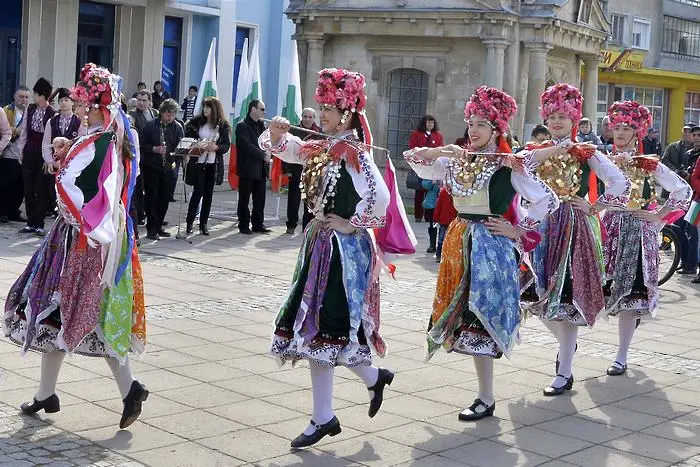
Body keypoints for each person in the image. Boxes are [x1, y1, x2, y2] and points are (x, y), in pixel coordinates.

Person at [4, 62, 148, 429]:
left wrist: (65, 161)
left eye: (84, 104)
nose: (79, 109)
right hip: (77, 238)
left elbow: (70, 185)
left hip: (81, 241)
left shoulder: (101, 142)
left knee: (81, 314)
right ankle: (46, 394)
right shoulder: (105, 139)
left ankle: (129, 388)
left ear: (97, 107)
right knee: (56, 317)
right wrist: (67, 151)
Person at [404, 86, 559, 420]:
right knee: (465, 319)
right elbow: (414, 160)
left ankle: (486, 397)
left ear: (496, 130)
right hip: (459, 244)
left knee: (482, 317)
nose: (473, 130)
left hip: (491, 248)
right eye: (471, 123)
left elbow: (547, 199)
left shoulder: (506, 166)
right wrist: (442, 150)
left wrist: (519, 229)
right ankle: (484, 396)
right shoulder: (458, 161)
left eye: (481, 124)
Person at [261, 68, 397, 448]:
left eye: (329, 108)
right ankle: (341, 403)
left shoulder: (352, 152)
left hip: (341, 251)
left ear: (348, 113)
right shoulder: (323, 146)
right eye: (321, 107)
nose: (322, 114)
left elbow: (380, 198)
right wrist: (275, 135)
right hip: (320, 244)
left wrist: (354, 225)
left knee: (327, 329)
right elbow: (289, 150)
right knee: (317, 331)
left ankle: (336, 407)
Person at [522, 83, 630, 396]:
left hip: (570, 226)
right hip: (540, 225)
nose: (556, 121)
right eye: (551, 115)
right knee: (532, 296)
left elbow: (619, 181)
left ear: (574, 119)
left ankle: (565, 370)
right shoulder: (535, 151)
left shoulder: (586, 152)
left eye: (562, 116)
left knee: (565, 298)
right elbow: (520, 167)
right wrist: (553, 149)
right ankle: (566, 346)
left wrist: (596, 205)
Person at [601, 101, 691, 376]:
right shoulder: (603, 158)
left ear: (638, 132)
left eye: (627, 128)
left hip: (637, 231)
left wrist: (659, 216)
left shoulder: (647, 164)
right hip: (610, 228)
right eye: (616, 127)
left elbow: (682, 191)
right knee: (604, 289)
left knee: (631, 293)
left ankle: (621, 355)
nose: (620, 132)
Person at [184, 96, 231, 236]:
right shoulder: (196, 122)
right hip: (198, 162)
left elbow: (225, 145)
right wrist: (199, 144)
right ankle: (189, 222)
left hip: (212, 163)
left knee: (208, 194)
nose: (205, 109)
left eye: (208, 107)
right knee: (197, 192)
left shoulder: (222, 125)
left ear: (214, 109)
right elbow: (189, 138)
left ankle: (203, 223)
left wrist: (216, 147)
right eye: (204, 106)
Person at [140, 98, 184, 240]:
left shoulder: (177, 127)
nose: (170, 117)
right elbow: (141, 145)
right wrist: (154, 149)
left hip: (169, 167)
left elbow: (181, 146)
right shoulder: (151, 125)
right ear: (162, 113)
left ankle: (159, 225)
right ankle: (151, 228)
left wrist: (183, 155)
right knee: (152, 197)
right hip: (152, 166)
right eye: (168, 115)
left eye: (173, 115)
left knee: (164, 198)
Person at [18, 77, 56, 237]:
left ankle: (39, 222)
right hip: (30, 151)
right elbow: (25, 131)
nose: (33, 97)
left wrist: (49, 158)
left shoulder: (52, 113)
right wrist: (21, 150)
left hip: (43, 152)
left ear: (42, 95)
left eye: (35, 94)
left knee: (41, 189)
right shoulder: (31, 109)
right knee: (28, 186)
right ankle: (30, 221)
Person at [285, 107, 322, 234]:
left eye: (310, 117)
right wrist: (287, 170)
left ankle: (307, 226)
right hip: (296, 171)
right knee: (293, 200)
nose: (307, 119)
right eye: (305, 116)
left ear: (314, 119)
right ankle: (291, 225)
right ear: (301, 117)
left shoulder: (320, 133)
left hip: (312, 173)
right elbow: (287, 150)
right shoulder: (294, 130)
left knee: (309, 201)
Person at [235, 99, 270, 234]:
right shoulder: (242, 126)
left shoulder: (263, 125)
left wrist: (269, 152)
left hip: (261, 168)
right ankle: (243, 224)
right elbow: (247, 146)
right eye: (261, 109)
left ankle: (258, 224)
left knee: (260, 199)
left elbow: (267, 142)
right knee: (244, 199)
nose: (264, 112)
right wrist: (263, 155)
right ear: (253, 109)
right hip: (247, 168)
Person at [0, 86, 30, 223]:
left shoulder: (31, 112)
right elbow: (4, 129)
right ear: (14, 97)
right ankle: (3, 212)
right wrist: (16, 131)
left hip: (24, 155)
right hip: (9, 154)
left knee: (20, 187)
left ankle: (14, 211)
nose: (24, 99)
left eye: (26, 97)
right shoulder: (6, 110)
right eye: (21, 96)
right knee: (6, 185)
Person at [408, 115, 444, 222]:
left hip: (433, 167)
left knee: (432, 191)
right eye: (428, 122)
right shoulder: (416, 134)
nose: (430, 125)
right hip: (420, 166)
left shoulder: (438, 135)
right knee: (419, 191)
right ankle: (418, 215)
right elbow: (413, 149)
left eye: (432, 123)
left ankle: (429, 216)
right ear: (424, 123)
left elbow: (440, 149)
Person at [41, 88, 81, 174]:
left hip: (72, 166)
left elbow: (80, 144)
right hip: (53, 165)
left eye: (66, 100)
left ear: (72, 102)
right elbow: (46, 144)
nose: (63, 103)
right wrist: (50, 161)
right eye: (61, 100)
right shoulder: (51, 121)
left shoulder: (79, 122)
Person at [421, 179, 439, 253]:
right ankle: (432, 244)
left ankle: (442, 245)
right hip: (432, 202)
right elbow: (424, 184)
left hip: (445, 202)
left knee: (444, 225)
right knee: (432, 224)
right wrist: (432, 182)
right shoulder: (431, 172)